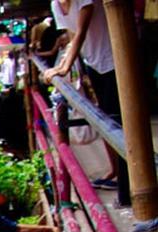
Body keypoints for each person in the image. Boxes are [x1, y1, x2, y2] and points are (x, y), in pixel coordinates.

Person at [44, 0, 129, 203]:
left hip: (113, 57)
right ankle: (120, 177)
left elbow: (81, 32)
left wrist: (64, 68)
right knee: (107, 119)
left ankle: (127, 188)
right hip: (93, 62)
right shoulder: (56, 4)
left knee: (118, 122)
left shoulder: (84, 1)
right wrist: (66, 66)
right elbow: (72, 37)